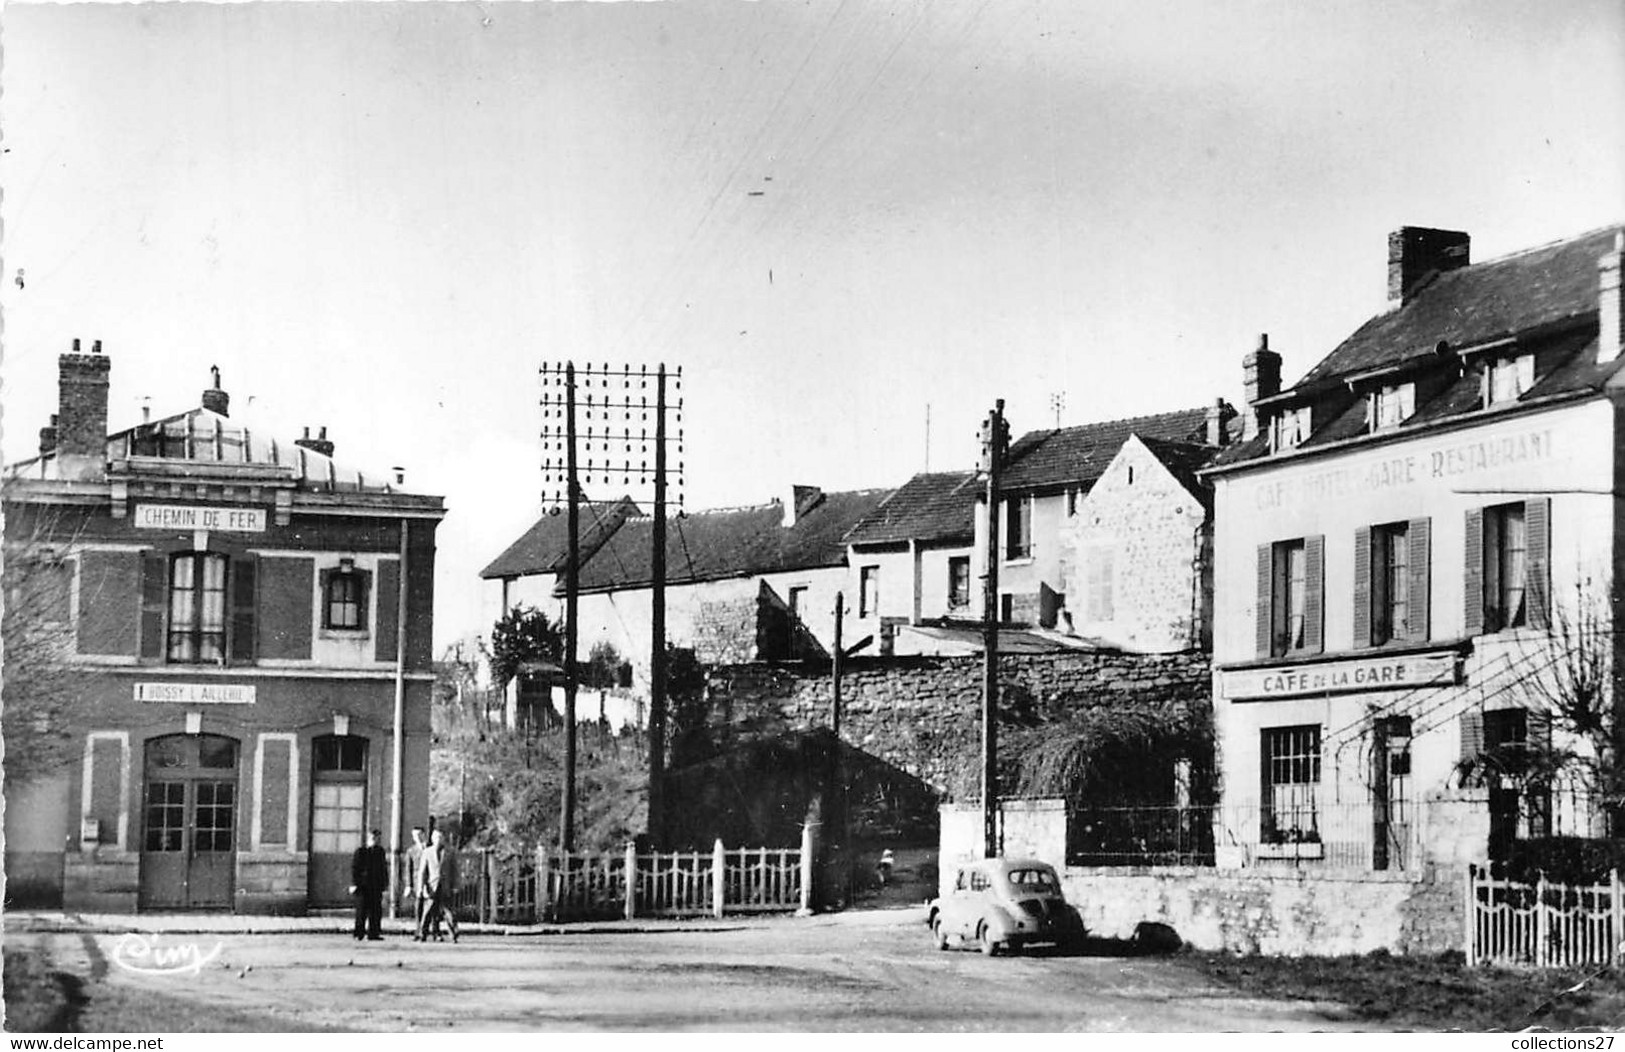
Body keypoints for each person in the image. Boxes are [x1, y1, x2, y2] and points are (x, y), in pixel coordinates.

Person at [415, 829, 460, 943]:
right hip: (432, 886)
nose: (438, 840)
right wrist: (422, 887)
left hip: (445, 886)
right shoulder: (427, 852)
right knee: (428, 911)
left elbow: (455, 870)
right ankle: (422, 934)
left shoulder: (449, 852)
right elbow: (422, 872)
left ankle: (454, 934)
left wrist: (455, 885)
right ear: (432, 839)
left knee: (448, 911)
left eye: (440, 837)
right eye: (436, 837)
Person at [350, 828, 388, 941]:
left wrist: (384, 885)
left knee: (375, 911)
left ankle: (374, 933)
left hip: (376, 886)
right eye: (373, 838)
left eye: (377, 838)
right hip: (362, 886)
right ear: (368, 838)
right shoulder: (361, 851)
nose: (375, 840)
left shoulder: (380, 852)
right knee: (361, 911)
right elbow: (355, 869)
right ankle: (359, 933)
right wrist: (354, 884)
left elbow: (383, 869)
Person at [404, 826, 427, 934]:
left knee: (433, 908)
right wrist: (409, 885)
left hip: (430, 881)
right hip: (417, 882)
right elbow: (408, 869)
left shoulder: (430, 848)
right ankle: (419, 931)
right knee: (418, 907)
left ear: (424, 834)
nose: (417, 837)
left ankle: (435, 932)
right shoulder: (411, 851)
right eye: (414, 835)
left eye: (419, 834)